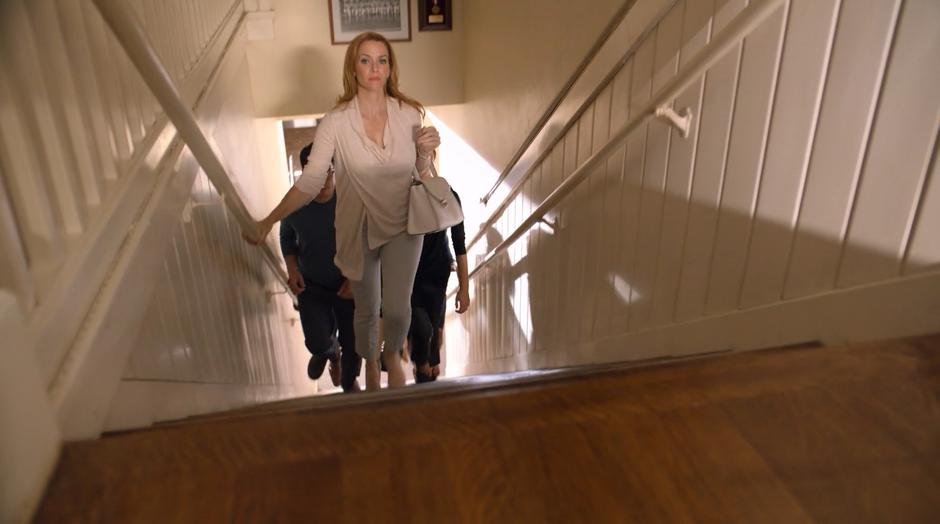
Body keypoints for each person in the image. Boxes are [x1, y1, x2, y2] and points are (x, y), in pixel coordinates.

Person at [245, 32, 441, 391]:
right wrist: (268, 220)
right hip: (359, 228)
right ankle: (369, 360)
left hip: (403, 224)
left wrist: (426, 153)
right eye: (365, 60)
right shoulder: (335, 122)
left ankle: (392, 354)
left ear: (390, 67)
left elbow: (424, 175)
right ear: (353, 67)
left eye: (382, 60)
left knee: (397, 310)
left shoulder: (409, 114)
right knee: (367, 308)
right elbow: (310, 181)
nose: (374, 68)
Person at [280, 144, 361, 392]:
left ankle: (349, 383)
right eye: (315, 171)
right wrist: (292, 270)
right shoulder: (294, 204)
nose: (323, 178)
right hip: (312, 285)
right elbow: (287, 240)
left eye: (328, 170)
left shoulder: (351, 199)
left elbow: (369, 239)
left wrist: (358, 278)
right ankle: (329, 352)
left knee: (354, 345)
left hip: (348, 284)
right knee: (316, 342)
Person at [409, 189, 469, 382]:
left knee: (434, 331)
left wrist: (464, 289)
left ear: (432, 156)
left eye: (425, 155)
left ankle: (429, 360)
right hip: (409, 272)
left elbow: (459, 244)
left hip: (437, 273)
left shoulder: (447, 194)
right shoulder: (402, 192)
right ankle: (420, 363)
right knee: (421, 326)